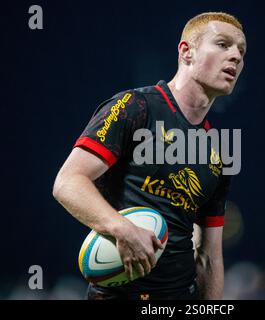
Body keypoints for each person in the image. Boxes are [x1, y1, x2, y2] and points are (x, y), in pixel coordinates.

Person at [53, 11, 246, 300]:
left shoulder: (218, 151)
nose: (235, 57)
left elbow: (209, 257)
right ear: (186, 52)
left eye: (241, 51)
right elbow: (68, 182)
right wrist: (121, 228)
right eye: (223, 44)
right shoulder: (134, 107)